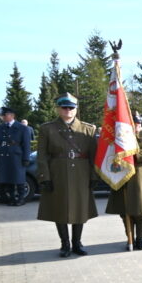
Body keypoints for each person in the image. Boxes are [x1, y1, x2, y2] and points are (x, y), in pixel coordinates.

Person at [36, 93, 99, 257]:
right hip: (58, 173)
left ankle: (77, 243)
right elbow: (42, 155)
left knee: (80, 209)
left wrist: (94, 176)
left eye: (71, 107)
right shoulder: (47, 129)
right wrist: (45, 177)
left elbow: (94, 156)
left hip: (81, 173)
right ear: (58, 108)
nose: (68, 110)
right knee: (59, 208)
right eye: (64, 107)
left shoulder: (88, 129)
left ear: (76, 109)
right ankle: (65, 244)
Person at [105, 120, 142, 250]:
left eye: (136, 124)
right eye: (131, 124)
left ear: (140, 125)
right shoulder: (120, 139)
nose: (134, 126)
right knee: (125, 212)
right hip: (123, 177)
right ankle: (129, 239)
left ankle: (140, 239)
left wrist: (132, 153)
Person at [0, 107, 31, 206]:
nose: (3, 117)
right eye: (3, 115)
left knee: (19, 179)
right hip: (4, 157)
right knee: (8, 178)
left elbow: (26, 144)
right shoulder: (0, 128)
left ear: (12, 116)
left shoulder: (22, 128)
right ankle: (12, 198)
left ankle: (21, 198)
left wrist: (26, 158)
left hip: (17, 157)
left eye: (4, 115)